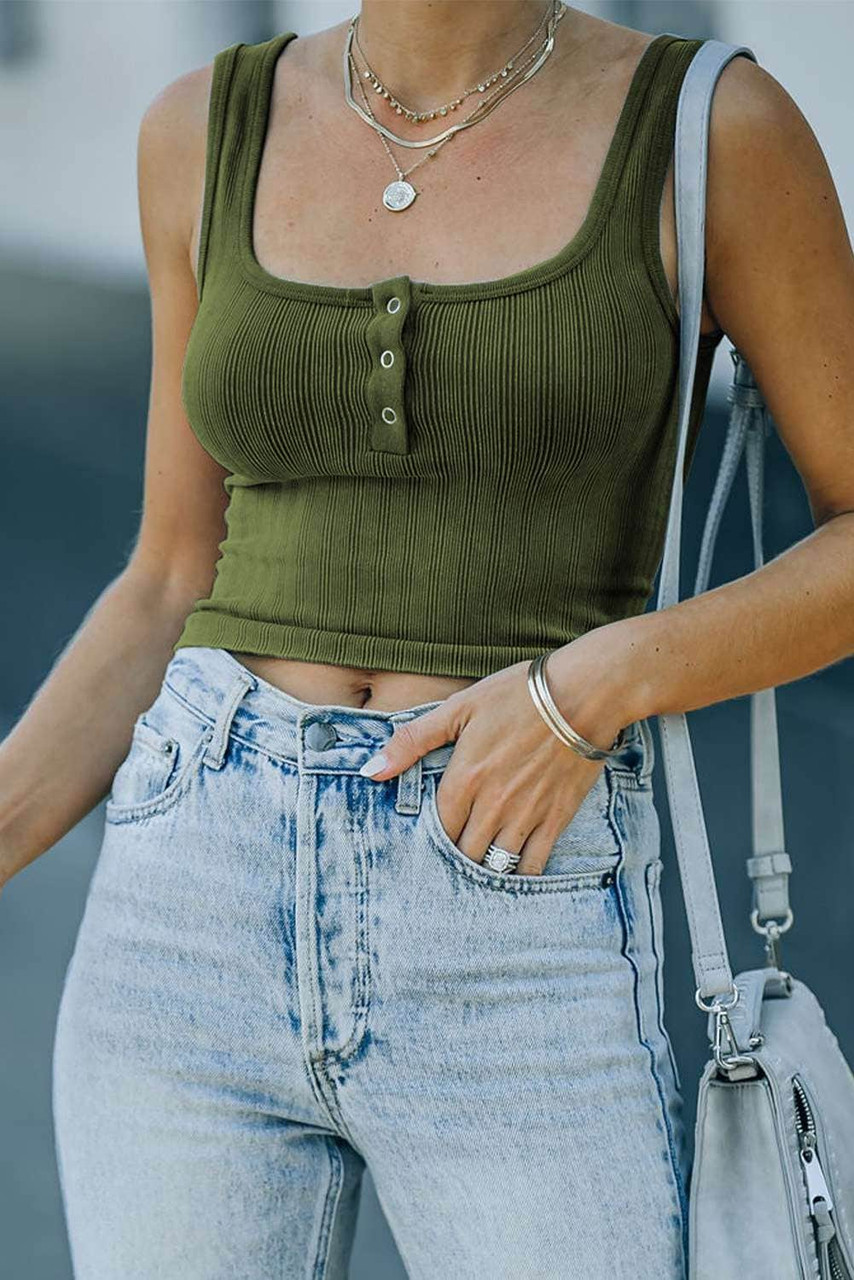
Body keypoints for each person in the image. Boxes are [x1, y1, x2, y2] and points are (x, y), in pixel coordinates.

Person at [3, 2, 853, 1276]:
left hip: (511, 888)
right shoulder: (199, 128)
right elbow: (170, 573)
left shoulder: (708, 129)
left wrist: (591, 684)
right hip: (190, 901)